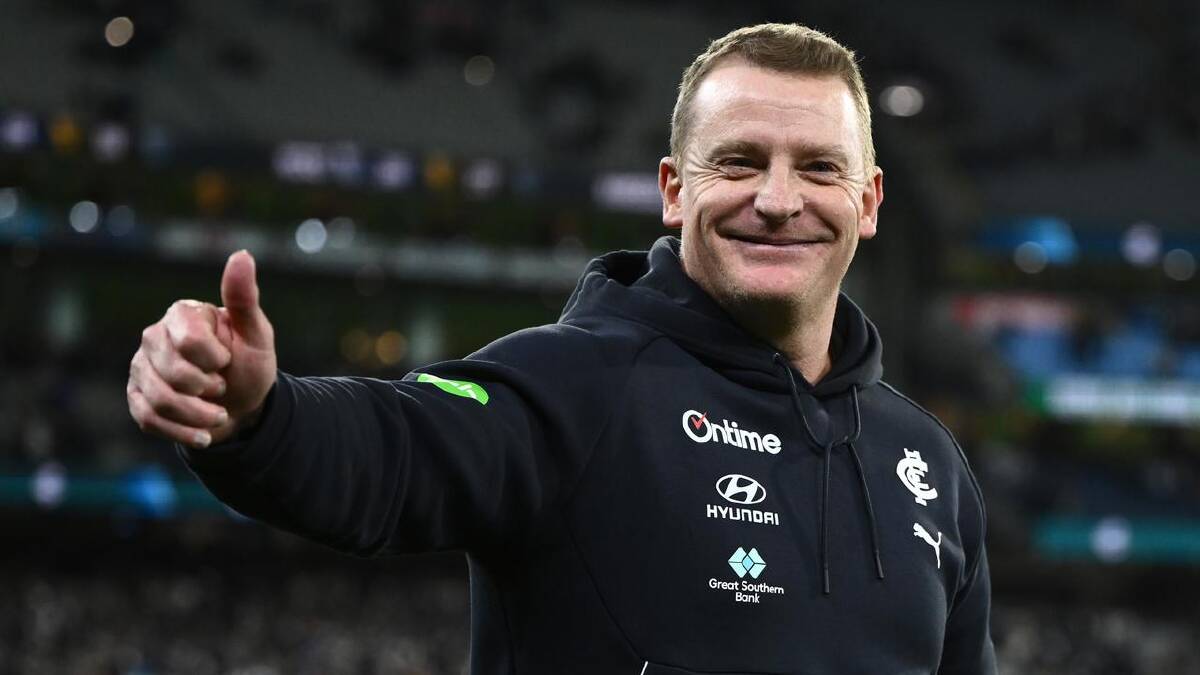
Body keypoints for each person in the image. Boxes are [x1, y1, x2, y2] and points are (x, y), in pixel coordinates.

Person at [127, 23, 996, 675]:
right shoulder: (573, 386)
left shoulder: (928, 461)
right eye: (737, 161)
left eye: (818, 168)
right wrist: (260, 417)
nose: (776, 198)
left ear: (870, 200)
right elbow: (392, 448)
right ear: (672, 189)